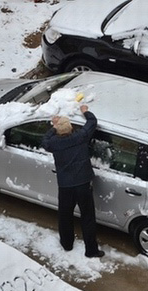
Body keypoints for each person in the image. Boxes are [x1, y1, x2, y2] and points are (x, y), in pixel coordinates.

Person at [42, 105, 104, 258]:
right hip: (83, 184)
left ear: (58, 131)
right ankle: (91, 250)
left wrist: (53, 126)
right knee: (87, 217)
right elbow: (92, 121)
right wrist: (85, 111)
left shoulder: (53, 144)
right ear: (70, 128)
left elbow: (44, 141)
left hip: (65, 186)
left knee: (65, 216)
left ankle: (67, 244)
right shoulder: (80, 137)